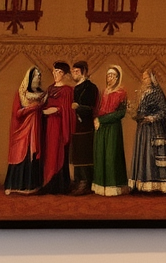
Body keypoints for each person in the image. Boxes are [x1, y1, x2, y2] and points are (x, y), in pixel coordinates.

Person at [129, 69, 166, 193]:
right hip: (143, 130)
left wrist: (152, 118)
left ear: (152, 79)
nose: (144, 80)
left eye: (146, 78)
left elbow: (164, 112)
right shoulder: (142, 93)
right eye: (143, 78)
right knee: (142, 155)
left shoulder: (157, 93)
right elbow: (140, 110)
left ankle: (157, 185)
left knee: (152, 155)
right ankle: (142, 185)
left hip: (154, 129)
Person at [3, 67, 46, 194]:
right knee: (21, 155)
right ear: (30, 78)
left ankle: (31, 186)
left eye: (39, 76)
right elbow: (17, 113)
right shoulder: (20, 93)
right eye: (36, 76)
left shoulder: (42, 94)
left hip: (35, 130)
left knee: (32, 156)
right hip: (22, 131)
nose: (38, 78)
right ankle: (15, 185)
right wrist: (33, 108)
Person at [92, 64, 129, 197]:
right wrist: (96, 119)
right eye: (109, 75)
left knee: (111, 156)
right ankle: (101, 186)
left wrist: (102, 120)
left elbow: (121, 113)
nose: (110, 78)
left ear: (118, 77)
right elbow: (97, 109)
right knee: (100, 155)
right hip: (101, 128)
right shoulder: (103, 92)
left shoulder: (121, 93)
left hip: (113, 128)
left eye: (113, 75)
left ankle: (114, 186)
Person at [42, 61, 75, 193]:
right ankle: (49, 183)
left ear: (65, 74)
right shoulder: (50, 89)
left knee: (58, 152)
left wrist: (55, 110)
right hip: (49, 125)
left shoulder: (67, 90)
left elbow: (67, 109)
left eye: (59, 72)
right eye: (54, 71)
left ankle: (60, 185)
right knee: (49, 153)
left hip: (60, 126)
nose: (55, 74)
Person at [69, 60, 100, 194]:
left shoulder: (91, 87)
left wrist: (79, 107)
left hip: (86, 125)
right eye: (73, 72)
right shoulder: (75, 88)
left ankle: (85, 182)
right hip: (76, 126)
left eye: (77, 72)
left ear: (84, 72)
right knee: (76, 154)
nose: (74, 74)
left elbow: (92, 108)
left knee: (85, 154)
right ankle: (77, 180)